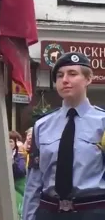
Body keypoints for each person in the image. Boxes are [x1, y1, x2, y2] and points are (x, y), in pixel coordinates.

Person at [23, 52, 105, 220]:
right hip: (49, 212)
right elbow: (34, 180)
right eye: (60, 76)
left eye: (72, 74)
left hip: (92, 211)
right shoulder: (42, 126)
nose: (65, 80)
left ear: (88, 79)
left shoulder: (102, 123)